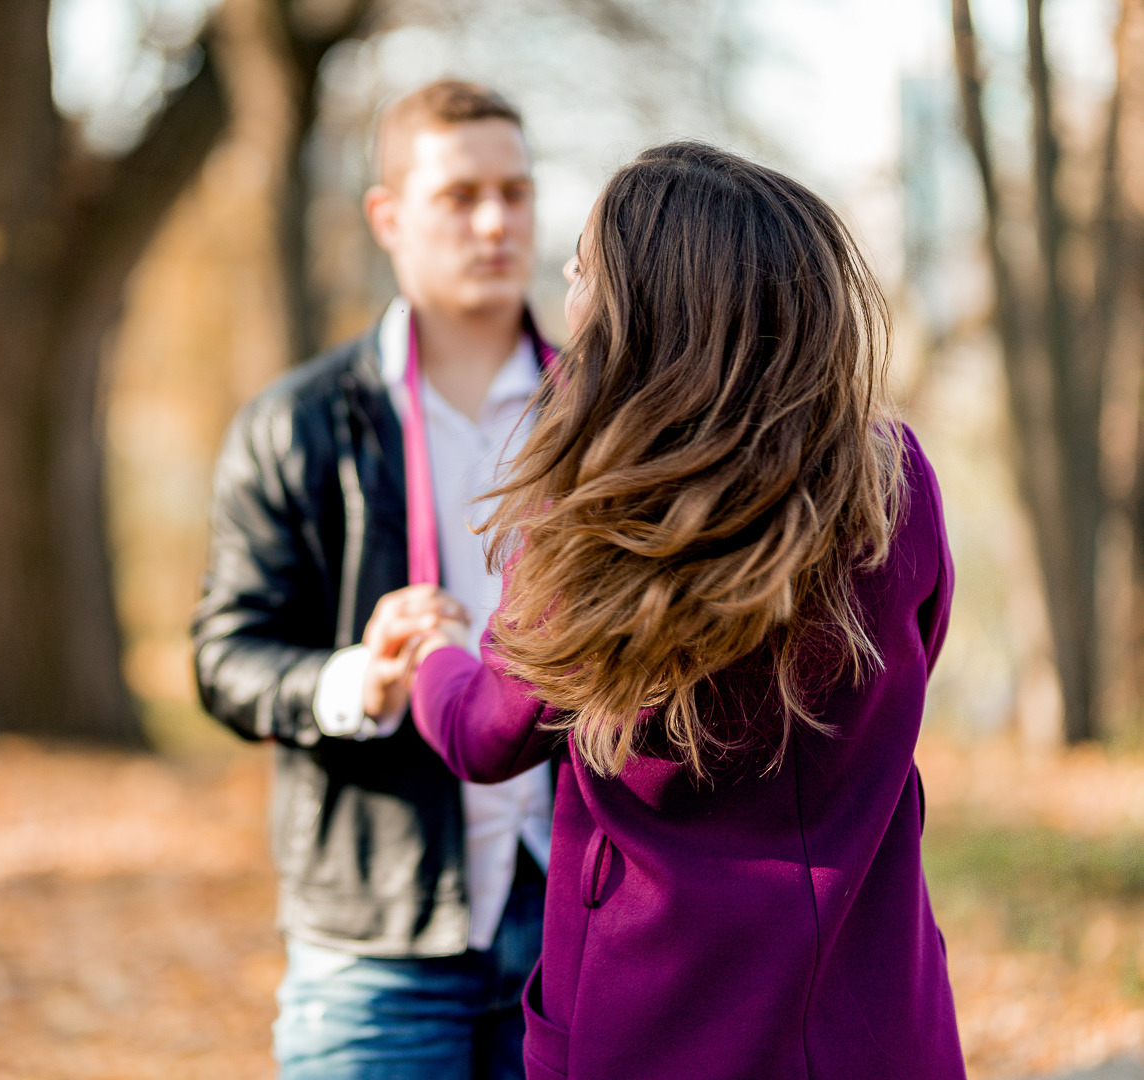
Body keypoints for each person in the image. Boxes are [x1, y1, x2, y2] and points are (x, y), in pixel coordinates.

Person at [372, 142, 967, 1079]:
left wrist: (436, 654)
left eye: (580, 271)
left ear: (636, 314)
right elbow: (915, 661)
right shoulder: (893, 478)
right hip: (873, 1019)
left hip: (653, 1026)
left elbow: (491, 732)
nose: (564, 294)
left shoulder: (598, 507)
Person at [191, 80, 555, 1078]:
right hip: (373, 938)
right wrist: (360, 679)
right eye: (460, 195)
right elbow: (224, 659)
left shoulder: (605, 416)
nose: (496, 222)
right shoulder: (295, 423)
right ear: (388, 217)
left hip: (575, 924)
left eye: (516, 193)